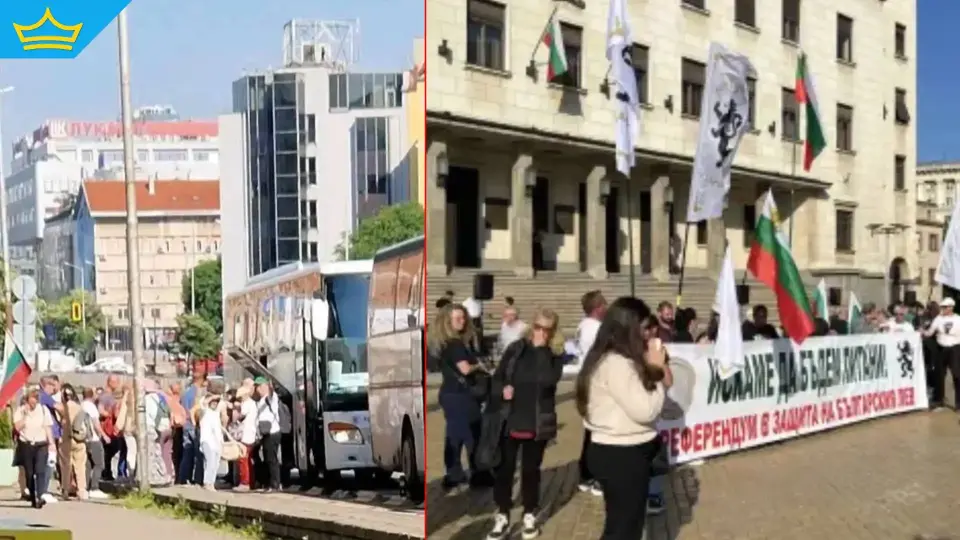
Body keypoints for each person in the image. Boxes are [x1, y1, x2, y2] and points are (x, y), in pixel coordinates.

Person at [576, 297, 672, 540]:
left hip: (623, 450)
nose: (647, 332)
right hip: (621, 454)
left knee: (626, 523)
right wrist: (657, 370)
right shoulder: (616, 363)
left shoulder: (616, 358)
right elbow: (646, 409)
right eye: (643, 326)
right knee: (623, 529)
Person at [486, 309, 565, 540]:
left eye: (547, 329)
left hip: (537, 422)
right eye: (538, 327)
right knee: (505, 470)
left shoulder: (554, 354)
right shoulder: (516, 348)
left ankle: (529, 512)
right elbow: (498, 377)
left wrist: (542, 350)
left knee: (531, 471)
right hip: (510, 418)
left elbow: (549, 381)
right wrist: (503, 389)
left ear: (553, 331)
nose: (541, 332)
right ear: (533, 325)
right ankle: (502, 514)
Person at [429, 303, 487, 490]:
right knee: (471, 434)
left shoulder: (446, 342)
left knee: (455, 435)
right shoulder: (455, 344)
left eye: (463, 318)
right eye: (457, 319)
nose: (462, 322)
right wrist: (480, 366)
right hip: (461, 396)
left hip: (451, 394)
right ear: (447, 321)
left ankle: (455, 473)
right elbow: (465, 369)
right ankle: (476, 473)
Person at [575, 290, 607, 496]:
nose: (607, 307)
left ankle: (586, 474)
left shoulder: (583, 325)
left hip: (587, 380)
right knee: (599, 431)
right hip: (596, 381)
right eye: (605, 304)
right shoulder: (595, 329)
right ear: (597, 309)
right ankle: (595, 476)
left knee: (591, 430)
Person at [14, 387, 56, 508]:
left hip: (41, 443)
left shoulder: (43, 410)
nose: (34, 401)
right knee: (29, 473)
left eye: (36, 398)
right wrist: (26, 416)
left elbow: (47, 427)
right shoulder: (21, 411)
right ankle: (33, 495)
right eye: (32, 398)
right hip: (26, 444)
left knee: (40, 470)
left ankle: (40, 495)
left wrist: (51, 443)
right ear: (27, 399)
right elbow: (17, 427)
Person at [923, 297, 960, 410]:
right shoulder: (938, 319)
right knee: (939, 374)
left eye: (945, 307)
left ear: (951, 308)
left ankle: (959, 403)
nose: (943, 309)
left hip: (955, 348)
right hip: (941, 348)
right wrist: (923, 332)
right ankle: (939, 399)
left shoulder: (958, 319)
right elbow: (930, 332)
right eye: (942, 307)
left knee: (957, 375)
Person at [57, 384, 87, 501]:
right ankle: (82, 490)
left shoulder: (62, 407)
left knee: (65, 466)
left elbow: (60, 423)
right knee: (80, 465)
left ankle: (65, 489)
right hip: (79, 439)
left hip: (66, 439)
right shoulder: (79, 407)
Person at [178, 371, 207, 484]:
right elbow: (196, 410)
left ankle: (184, 478)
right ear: (201, 380)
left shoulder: (186, 393)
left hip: (186, 425)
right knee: (199, 454)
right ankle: (199, 479)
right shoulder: (197, 393)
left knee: (187, 453)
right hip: (194, 425)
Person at [254, 377, 281, 491]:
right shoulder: (260, 400)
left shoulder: (271, 398)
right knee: (267, 458)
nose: (258, 389)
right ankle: (270, 483)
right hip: (265, 433)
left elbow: (272, 394)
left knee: (272, 459)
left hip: (272, 432)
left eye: (260, 386)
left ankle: (275, 484)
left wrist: (271, 386)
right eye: (257, 386)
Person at [144, 379, 173, 486]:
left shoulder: (148, 399)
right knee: (161, 453)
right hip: (164, 427)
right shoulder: (162, 397)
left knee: (152, 453)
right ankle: (165, 475)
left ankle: (155, 477)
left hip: (151, 428)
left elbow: (151, 414)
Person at [80, 387, 108, 499]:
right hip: (94, 439)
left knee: (88, 464)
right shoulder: (91, 407)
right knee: (99, 464)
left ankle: (85, 486)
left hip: (84, 439)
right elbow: (96, 423)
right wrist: (104, 435)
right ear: (93, 395)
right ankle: (94, 487)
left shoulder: (81, 405)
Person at [198, 394, 224, 491]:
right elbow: (203, 402)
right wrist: (212, 396)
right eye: (212, 402)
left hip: (217, 442)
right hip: (207, 440)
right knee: (210, 461)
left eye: (216, 402)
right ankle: (207, 482)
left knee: (216, 463)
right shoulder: (205, 411)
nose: (214, 403)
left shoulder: (216, 413)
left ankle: (211, 482)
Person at [235, 385, 258, 490]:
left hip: (245, 434)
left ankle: (245, 482)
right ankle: (251, 481)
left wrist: (237, 410)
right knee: (249, 459)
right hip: (251, 433)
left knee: (243, 459)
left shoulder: (246, 404)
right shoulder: (253, 404)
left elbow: (241, 416)